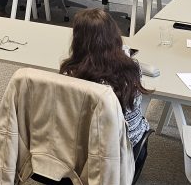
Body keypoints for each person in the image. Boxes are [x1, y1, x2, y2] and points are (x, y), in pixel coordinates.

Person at [59, 8, 150, 150]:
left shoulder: (71, 74)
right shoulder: (132, 69)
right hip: (130, 148)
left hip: (87, 148)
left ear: (78, 41)